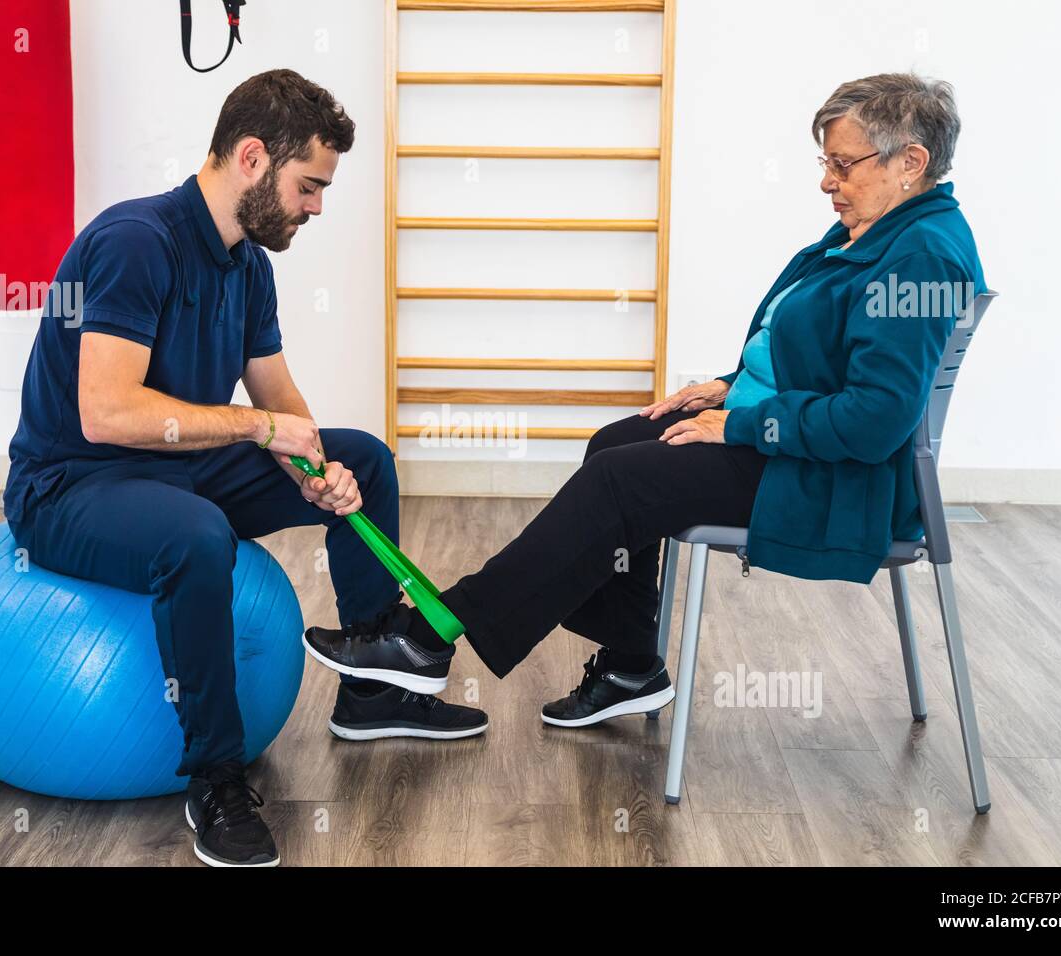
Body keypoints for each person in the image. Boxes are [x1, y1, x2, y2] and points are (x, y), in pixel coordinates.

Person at [303, 72, 986, 734]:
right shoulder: (878, 228)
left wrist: (744, 421)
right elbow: (814, 348)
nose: (826, 181)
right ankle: (631, 666)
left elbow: (876, 420)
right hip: (794, 442)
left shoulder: (921, 254)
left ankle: (426, 637)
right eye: (825, 161)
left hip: (837, 481)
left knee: (620, 480)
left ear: (911, 162)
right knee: (615, 443)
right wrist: (728, 386)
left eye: (842, 164)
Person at [2, 70, 487, 869]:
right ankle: (216, 778)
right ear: (253, 158)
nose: (318, 208)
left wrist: (316, 468)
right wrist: (262, 429)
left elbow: (278, 403)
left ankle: (369, 680)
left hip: (176, 465)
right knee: (197, 538)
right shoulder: (134, 243)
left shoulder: (248, 267)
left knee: (363, 452)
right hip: (74, 483)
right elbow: (108, 413)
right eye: (310, 186)